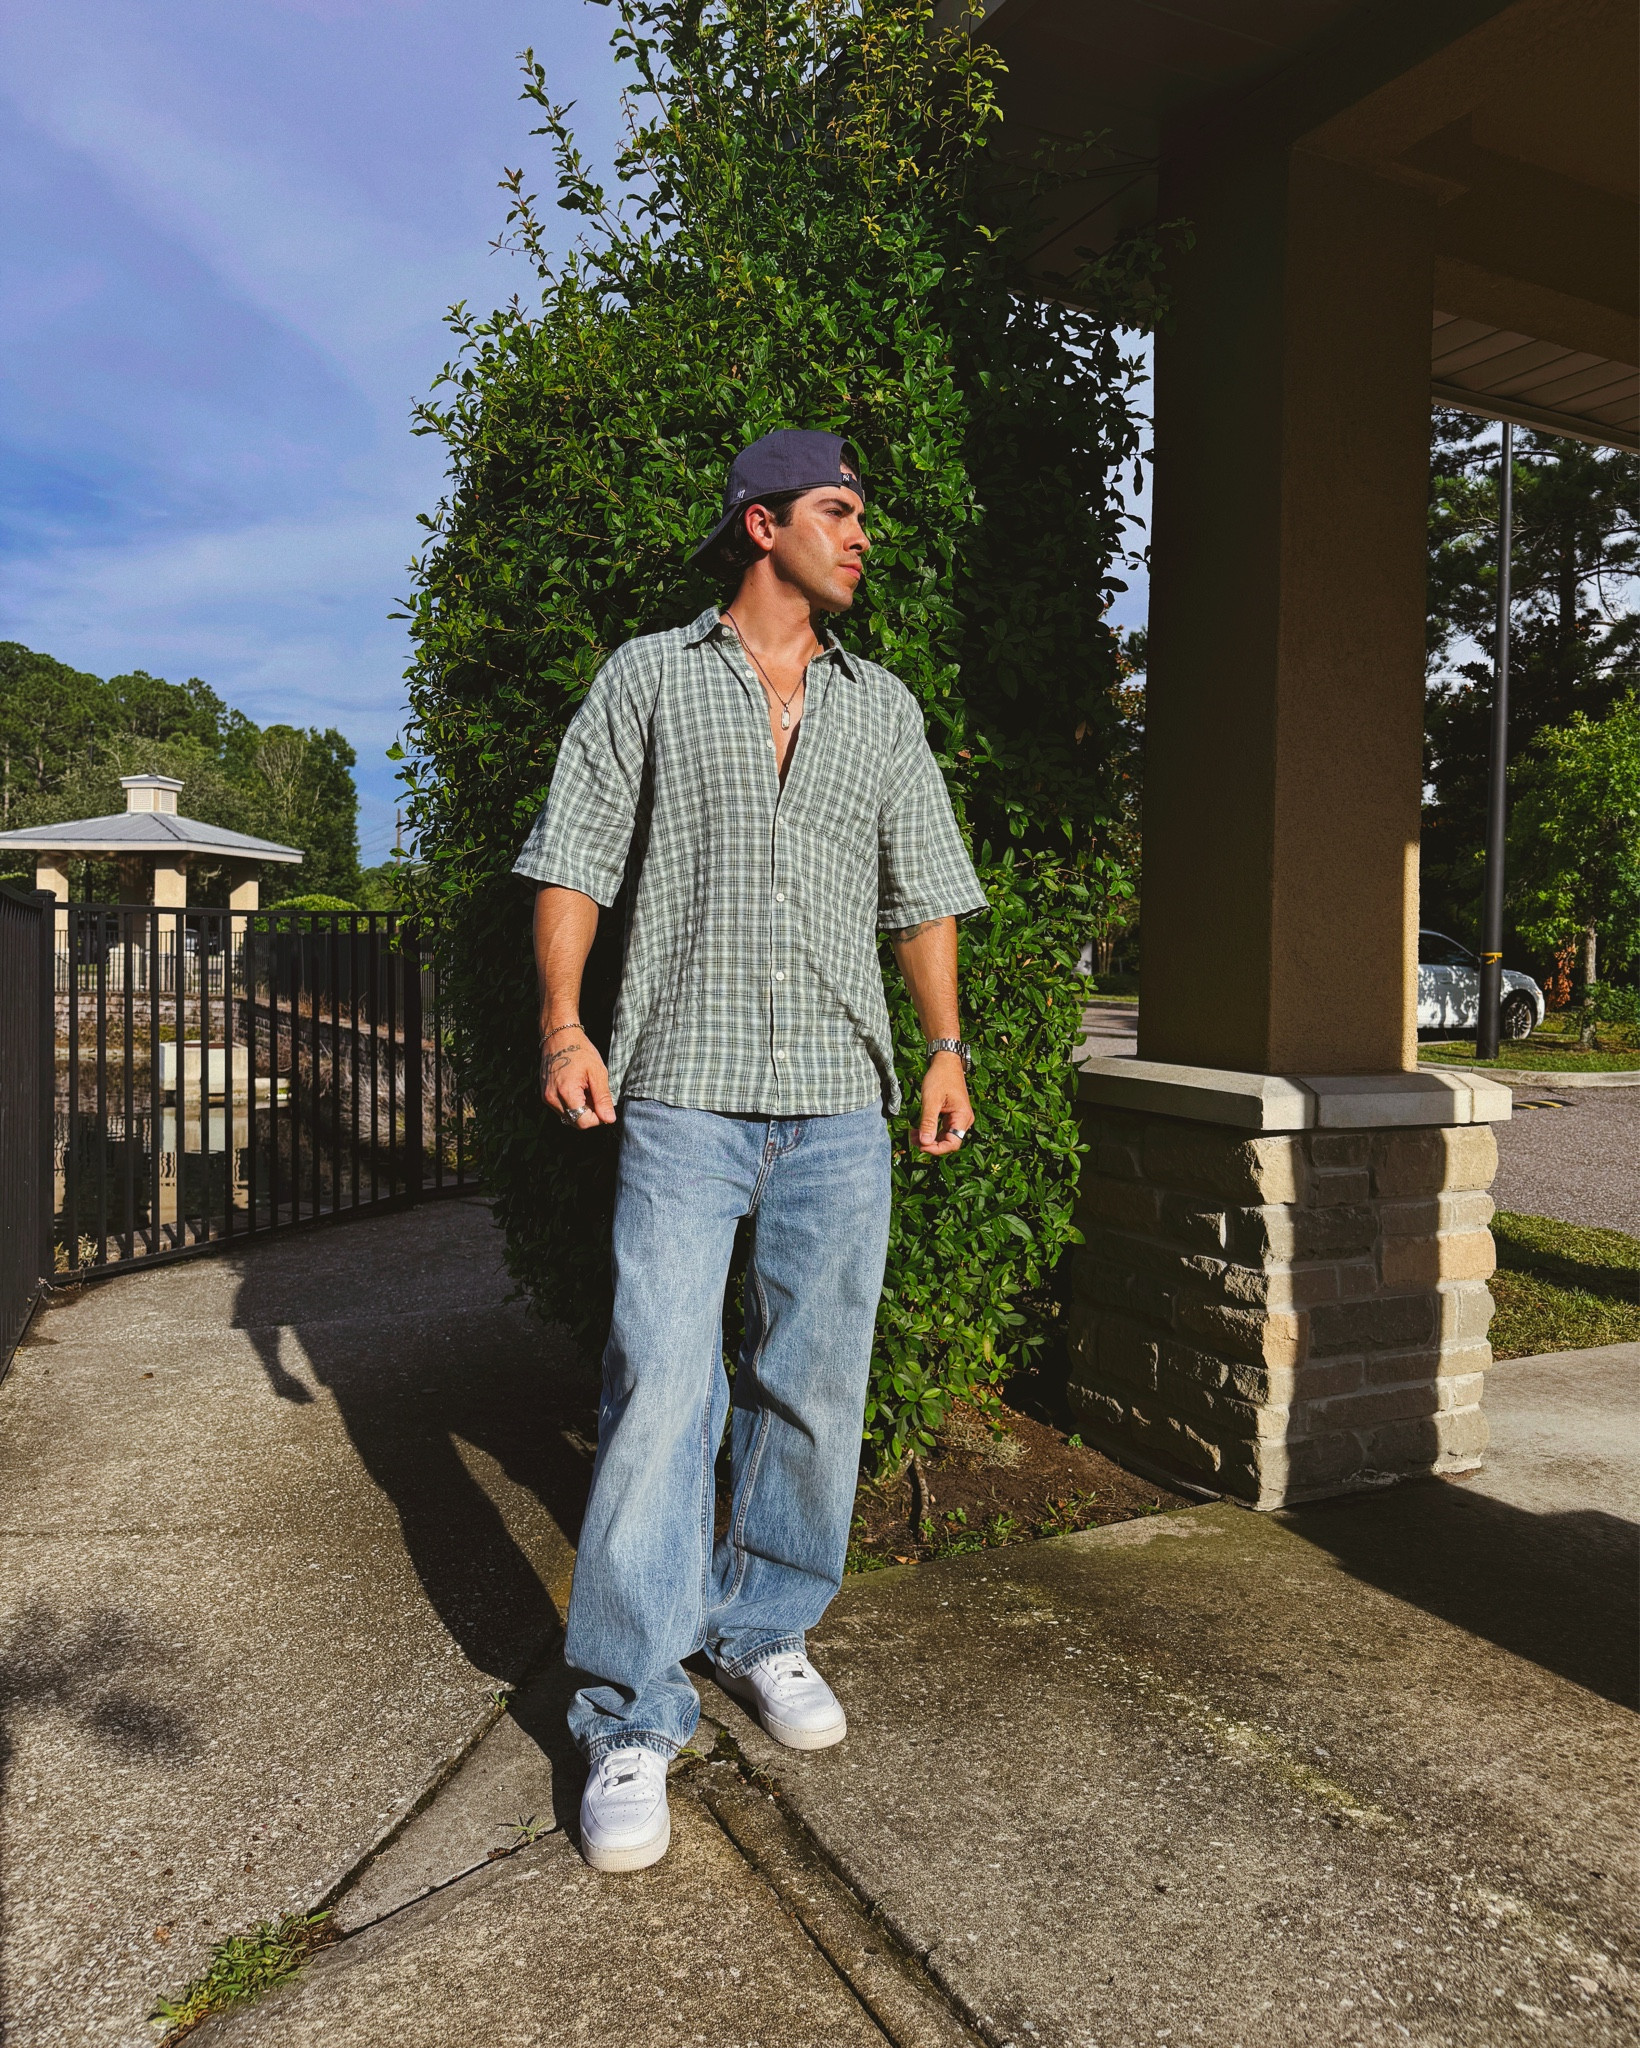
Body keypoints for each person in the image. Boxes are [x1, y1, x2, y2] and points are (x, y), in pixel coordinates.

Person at [514, 427, 985, 1872]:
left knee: (812, 1383)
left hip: (844, 1103)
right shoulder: (650, 679)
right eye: (839, 513)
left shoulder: (882, 707)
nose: (862, 536)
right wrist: (562, 1025)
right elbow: (575, 857)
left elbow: (924, 891)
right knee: (662, 1384)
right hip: (685, 1097)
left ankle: (764, 1624)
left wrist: (947, 1045)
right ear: (761, 522)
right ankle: (633, 1710)